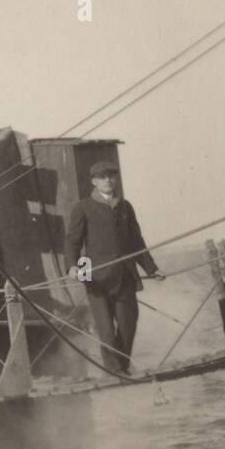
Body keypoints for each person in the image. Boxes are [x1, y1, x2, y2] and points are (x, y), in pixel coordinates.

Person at [63, 160, 164, 374]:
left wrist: (152, 269)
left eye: (111, 175)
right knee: (107, 332)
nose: (108, 180)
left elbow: (137, 241)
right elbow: (73, 241)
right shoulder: (83, 207)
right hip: (96, 280)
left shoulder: (125, 206)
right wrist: (72, 266)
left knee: (128, 326)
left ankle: (122, 368)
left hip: (125, 276)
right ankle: (115, 372)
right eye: (102, 177)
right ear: (94, 181)